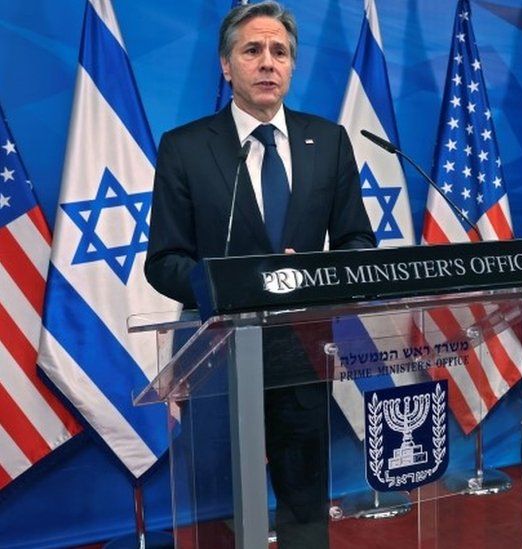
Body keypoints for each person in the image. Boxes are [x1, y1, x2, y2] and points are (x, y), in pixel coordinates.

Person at [146, 2, 375, 547]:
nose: (268, 62)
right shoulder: (186, 148)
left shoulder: (330, 141)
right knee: (224, 511)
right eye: (253, 50)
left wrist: (317, 275)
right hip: (219, 356)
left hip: (301, 351)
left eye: (280, 52)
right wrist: (232, 284)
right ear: (227, 66)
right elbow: (165, 260)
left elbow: (357, 243)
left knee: (303, 504)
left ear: (292, 66)